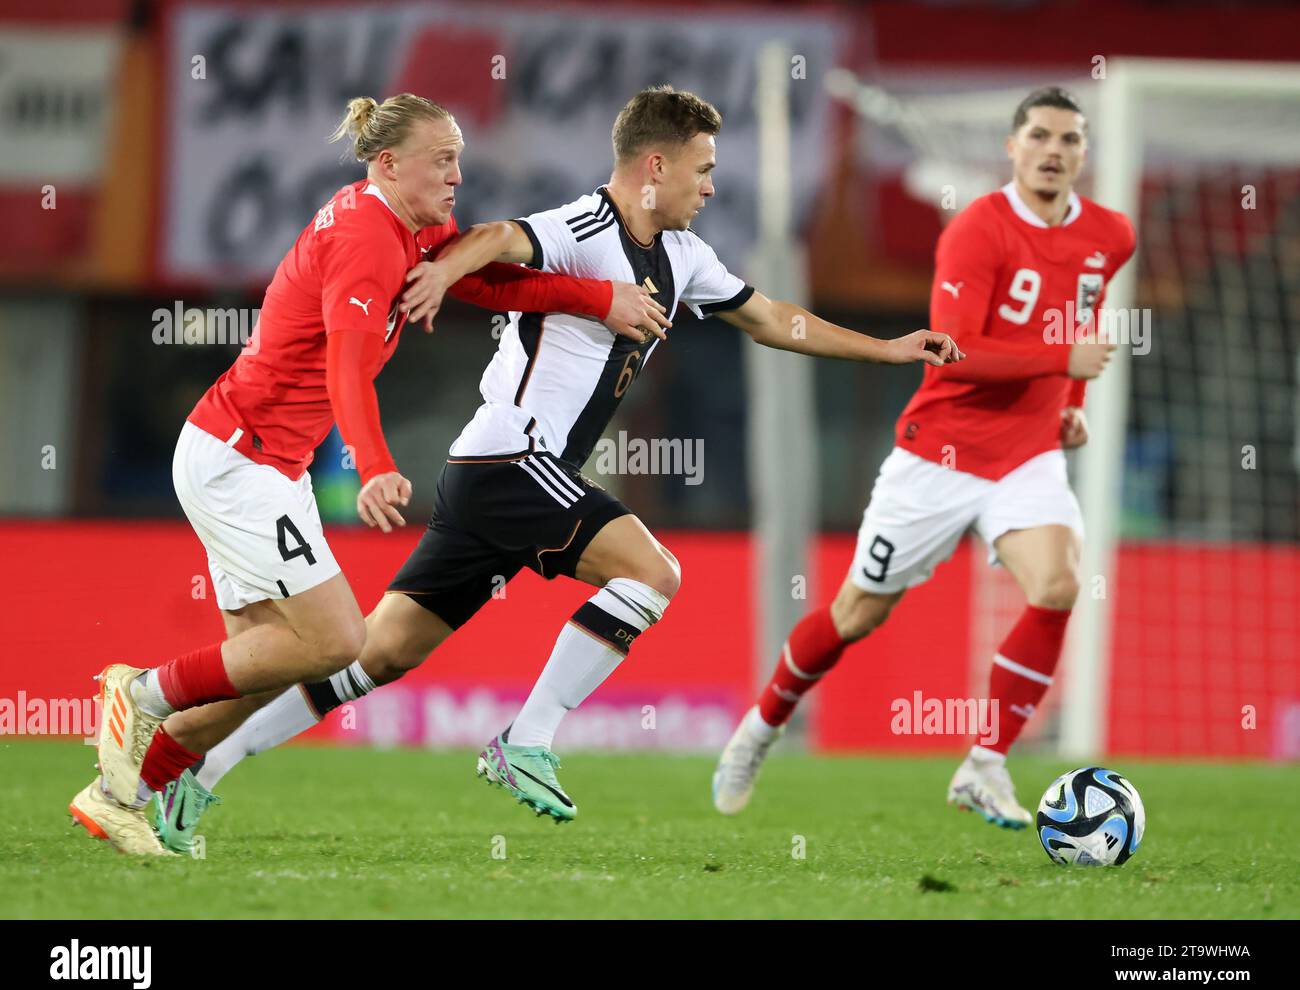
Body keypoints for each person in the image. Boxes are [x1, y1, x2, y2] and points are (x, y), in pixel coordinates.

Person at [147, 84, 959, 848]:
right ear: (657, 167)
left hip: (490, 474)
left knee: (376, 654)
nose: (710, 186)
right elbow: (502, 237)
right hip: (513, 460)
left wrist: (887, 349)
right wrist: (446, 268)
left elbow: (775, 318)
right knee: (653, 572)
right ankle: (524, 739)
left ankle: (202, 767)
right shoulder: (585, 224)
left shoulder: (684, 257)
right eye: (703, 169)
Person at [70, 92, 669, 855]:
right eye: (442, 159)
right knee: (337, 641)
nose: (458, 175)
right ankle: (138, 693)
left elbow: (487, 284)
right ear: (388, 164)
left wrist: (598, 298)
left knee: (252, 673)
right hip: (241, 457)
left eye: (459, 157)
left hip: (260, 460)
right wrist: (377, 466)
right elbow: (346, 369)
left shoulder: (405, 225)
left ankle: (119, 792)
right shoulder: (364, 237)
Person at [712, 86, 1136, 829]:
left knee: (1060, 584)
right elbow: (955, 353)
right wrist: (1060, 358)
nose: (1053, 151)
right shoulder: (977, 230)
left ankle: (985, 764)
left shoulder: (1110, 234)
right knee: (854, 613)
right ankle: (761, 726)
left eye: (1070, 140)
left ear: (1084, 154)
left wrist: (1069, 403)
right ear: (1013, 148)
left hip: (1028, 454)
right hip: (940, 454)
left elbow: (1079, 315)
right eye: (1039, 135)